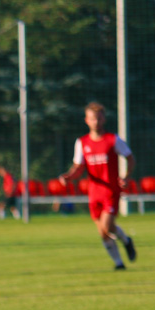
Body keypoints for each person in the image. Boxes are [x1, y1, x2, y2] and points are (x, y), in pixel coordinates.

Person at [59, 102, 137, 270]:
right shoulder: (82, 142)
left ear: (104, 120)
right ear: (87, 120)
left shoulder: (112, 139)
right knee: (103, 232)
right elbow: (78, 167)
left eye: (99, 118)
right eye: (93, 118)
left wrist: (126, 176)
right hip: (94, 192)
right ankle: (119, 263)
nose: (96, 122)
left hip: (110, 191)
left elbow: (130, 158)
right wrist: (68, 177)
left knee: (108, 226)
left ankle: (125, 241)